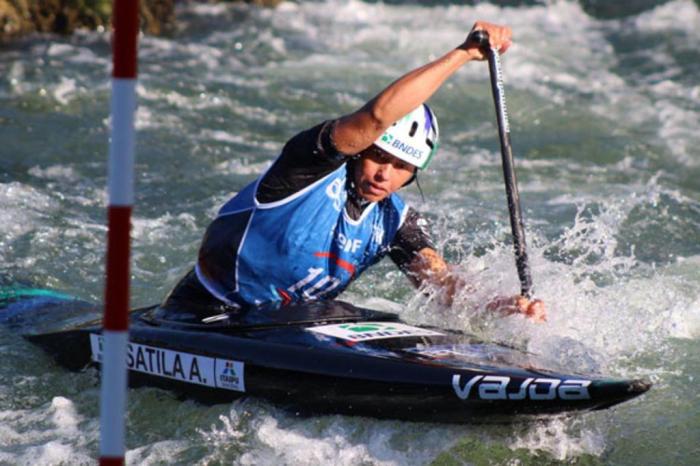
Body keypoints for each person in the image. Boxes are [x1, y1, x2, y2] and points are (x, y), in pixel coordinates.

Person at [163, 21, 546, 323]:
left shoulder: (394, 221)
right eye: (379, 157)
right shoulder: (306, 166)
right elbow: (377, 117)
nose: (385, 175)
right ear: (361, 149)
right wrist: (464, 54)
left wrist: (503, 305)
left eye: (401, 167)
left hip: (286, 325)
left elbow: (441, 285)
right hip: (205, 314)